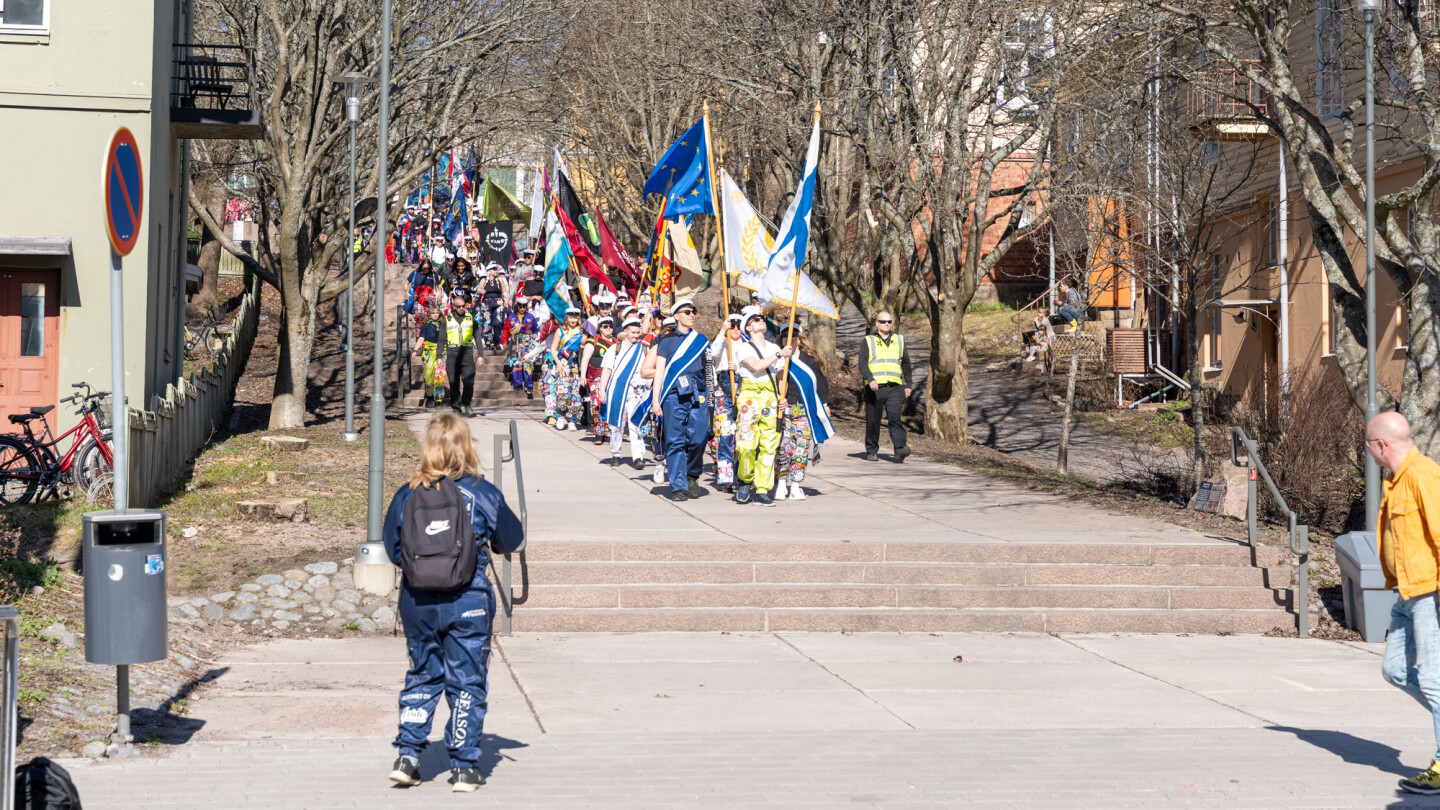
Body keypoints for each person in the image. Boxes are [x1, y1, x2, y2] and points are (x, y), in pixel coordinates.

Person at [383, 412, 523, 793]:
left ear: (428, 447)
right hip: (469, 601)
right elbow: (511, 540)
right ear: (466, 445)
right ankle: (464, 767)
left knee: (423, 674)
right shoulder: (484, 492)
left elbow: (394, 548)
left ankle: (408, 756)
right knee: (467, 682)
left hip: (419, 602)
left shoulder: (407, 493)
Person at [1369, 412, 1440, 795]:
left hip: (1430, 593)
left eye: (1368, 445)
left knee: (1432, 678)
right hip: (1407, 593)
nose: (1369, 453)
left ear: (1381, 445)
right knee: (1395, 670)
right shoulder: (1396, 481)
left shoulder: (1422, 475)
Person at [649, 301, 710, 501]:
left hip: (697, 392)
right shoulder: (666, 341)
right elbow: (659, 372)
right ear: (676, 316)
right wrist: (655, 400)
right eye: (687, 312)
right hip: (674, 395)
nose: (692, 315)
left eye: (694, 311)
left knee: (699, 437)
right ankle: (679, 486)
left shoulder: (700, 339)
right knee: (675, 441)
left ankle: (692, 474)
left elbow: (708, 369)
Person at [731, 306, 791, 506]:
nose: (762, 320)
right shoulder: (743, 347)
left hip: (771, 397)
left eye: (762, 318)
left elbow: (781, 376)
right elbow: (755, 366)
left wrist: (783, 395)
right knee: (746, 443)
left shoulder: (775, 348)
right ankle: (745, 481)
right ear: (748, 326)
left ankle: (763, 488)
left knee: (769, 444)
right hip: (749, 396)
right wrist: (779, 355)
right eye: (757, 319)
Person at [776, 323, 830, 501]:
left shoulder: (808, 361)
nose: (788, 339)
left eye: (792, 336)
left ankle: (796, 485)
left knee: (801, 449)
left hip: (803, 410)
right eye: (784, 336)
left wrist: (826, 404)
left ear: (798, 340)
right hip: (784, 411)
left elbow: (820, 384)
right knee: (783, 449)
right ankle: (782, 484)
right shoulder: (777, 358)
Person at [597, 317, 651, 469]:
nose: (636, 335)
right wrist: (602, 391)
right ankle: (615, 454)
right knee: (616, 424)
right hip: (617, 391)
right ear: (625, 331)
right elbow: (606, 371)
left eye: (638, 333)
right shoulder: (614, 349)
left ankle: (638, 456)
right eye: (633, 332)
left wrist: (652, 391)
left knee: (636, 424)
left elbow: (646, 374)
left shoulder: (644, 350)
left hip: (637, 392)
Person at [859, 310, 912, 463]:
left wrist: (908, 384)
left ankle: (900, 449)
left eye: (889, 321)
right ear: (877, 324)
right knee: (873, 420)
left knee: (895, 417)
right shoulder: (868, 340)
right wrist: (870, 379)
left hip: (895, 386)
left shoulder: (899, 340)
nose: (887, 324)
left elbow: (906, 363)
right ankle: (871, 450)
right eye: (883, 322)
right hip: (875, 387)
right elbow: (862, 363)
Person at [707, 314, 744, 493]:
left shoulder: (747, 344)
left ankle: (741, 473)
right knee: (726, 435)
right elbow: (713, 353)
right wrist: (722, 331)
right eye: (732, 326)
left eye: (738, 326)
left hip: (743, 385)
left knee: (743, 434)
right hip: (724, 387)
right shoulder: (722, 342)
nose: (735, 329)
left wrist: (739, 369)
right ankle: (725, 477)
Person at [544, 308, 585, 430]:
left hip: (576, 365)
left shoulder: (582, 332)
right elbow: (553, 349)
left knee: (575, 394)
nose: (573, 320)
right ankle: (561, 416)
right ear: (567, 318)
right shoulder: (560, 331)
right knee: (562, 392)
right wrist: (558, 363)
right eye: (571, 317)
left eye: (575, 318)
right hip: (563, 364)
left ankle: (572, 419)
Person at [580, 316, 616, 442]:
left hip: (611, 377)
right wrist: (583, 375)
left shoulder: (617, 342)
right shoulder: (593, 340)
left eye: (610, 326)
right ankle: (598, 432)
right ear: (600, 328)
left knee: (610, 404)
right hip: (595, 376)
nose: (608, 329)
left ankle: (608, 433)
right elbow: (585, 360)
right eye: (605, 326)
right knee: (597, 404)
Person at [444, 295, 482, 417]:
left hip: (467, 353)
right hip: (452, 353)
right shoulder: (448, 319)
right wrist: (439, 356)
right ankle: (456, 407)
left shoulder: (471, 319)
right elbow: (440, 339)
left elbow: (477, 337)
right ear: (454, 307)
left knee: (469, 381)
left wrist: (480, 355)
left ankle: (467, 402)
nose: (461, 308)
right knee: (453, 382)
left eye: (463, 306)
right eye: (459, 306)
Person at [414, 304, 447, 409]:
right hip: (428, 352)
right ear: (429, 314)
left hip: (441, 351)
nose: (435, 315)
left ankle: (438, 398)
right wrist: (415, 350)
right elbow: (421, 339)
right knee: (428, 376)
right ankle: (429, 397)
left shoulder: (443, 324)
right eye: (433, 313)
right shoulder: (426, 326)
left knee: (439, 375)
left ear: (440, 314)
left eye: (437, 313)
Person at [505, 298, 540, 395]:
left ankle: (529, 385)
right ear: (517, 306)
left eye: (524, 307)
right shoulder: (511, 317)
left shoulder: (531, 317)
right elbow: (506, 330)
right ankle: (518, 384)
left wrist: (535, 337)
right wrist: (504, 342)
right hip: (515, 342)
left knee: (528, 363)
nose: (522, 309)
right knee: (516, 363)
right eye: (520, 306)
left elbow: (536, 330)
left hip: (527, 342)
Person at [478, 263, 509, 350]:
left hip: (498, 301)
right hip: (487, 302)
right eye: (494, 269)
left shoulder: (500, 279)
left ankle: (496, 341)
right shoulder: (484, 280)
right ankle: (488, 341)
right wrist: (480, 290)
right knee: (487, 322)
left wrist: (507, 299)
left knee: (498, 322)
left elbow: (504, 291)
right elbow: (477, 290)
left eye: (496, 269)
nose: (496, 271)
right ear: (489, 271)